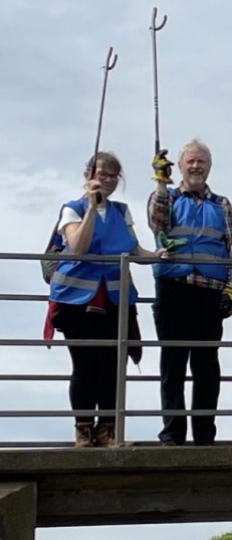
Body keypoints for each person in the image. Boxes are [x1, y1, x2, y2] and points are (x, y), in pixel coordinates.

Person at [49, 151, 162, 447]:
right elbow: (79, 245)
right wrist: (90, 206)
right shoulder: (72, 209)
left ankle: (107, 429)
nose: (109, 180)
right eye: (103, 174)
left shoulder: (122, 211)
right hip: (77, 300)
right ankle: (83, 428)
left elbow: (135, 251)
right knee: (84, 364)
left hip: (114, 299)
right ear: (89, 176)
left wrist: (158, 256)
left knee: (112, 365)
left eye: (114, 176)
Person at [148, 139, 232, 446]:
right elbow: (156, 221)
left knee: (206, 366)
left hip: (210, 293)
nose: (196, 166)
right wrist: (161, 183)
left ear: (209, 167)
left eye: (201, 162)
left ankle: (204, 435)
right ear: (181, 166)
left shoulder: (222, 204)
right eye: (190, 162)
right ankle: (173, 434)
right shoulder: (168, 197)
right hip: (174, 288)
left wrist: (231, 290)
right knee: (172, 363)